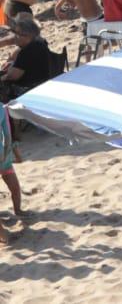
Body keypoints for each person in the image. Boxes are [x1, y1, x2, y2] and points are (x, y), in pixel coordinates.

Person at [0, 17, 50, 102]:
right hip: (42, 82)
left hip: (28, 89)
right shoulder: (40, 41)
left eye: (17, 33)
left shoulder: (26, 52)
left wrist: (3, 77)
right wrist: (11, 63)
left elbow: (13, 76)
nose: (14, 36)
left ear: (28, 36)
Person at [0, 102, 20, 243]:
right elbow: (7, 135)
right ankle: (4, 235)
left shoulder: (2, 108)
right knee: (15, 187)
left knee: (15, 187)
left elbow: (7, 135)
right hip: (3, 156)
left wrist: (6, 152)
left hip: (3, 158)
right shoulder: (1, 108)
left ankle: (18, 211)